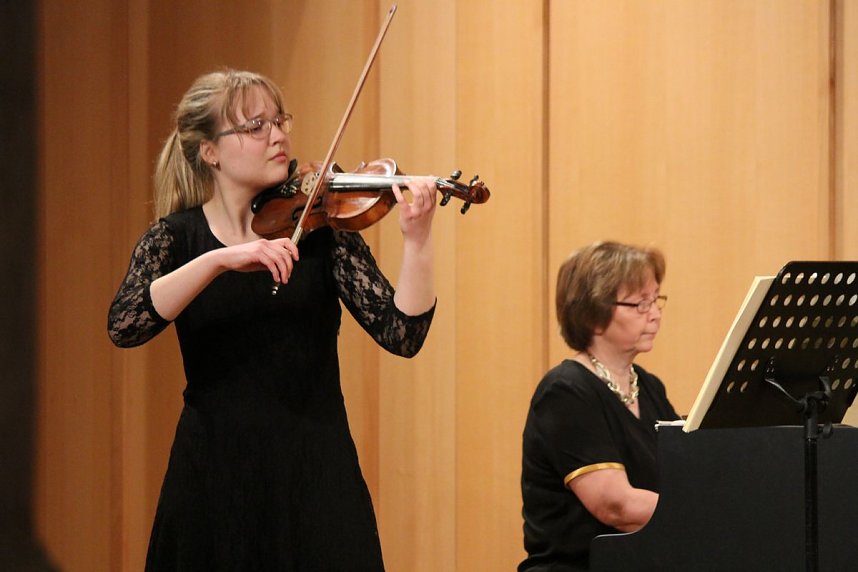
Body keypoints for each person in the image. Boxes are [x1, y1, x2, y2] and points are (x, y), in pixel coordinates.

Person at [107, 69, 438, 571]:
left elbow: (402, 333)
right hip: (214, 477)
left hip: (316, 470)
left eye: (279, 120)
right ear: (210, 152)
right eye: (255, 126)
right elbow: (126, 324)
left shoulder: (320, 231)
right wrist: (220, 260)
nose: (278, 135)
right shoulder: (175, 240)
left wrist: (417, 242)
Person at [518, 240, 680, 571]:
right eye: (639, 304)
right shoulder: (564, 393)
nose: (655, 314)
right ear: (593, 316)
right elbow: (616, 506)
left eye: (655, 299)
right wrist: (709, 511)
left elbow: (684, 477)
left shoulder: (649, 388)